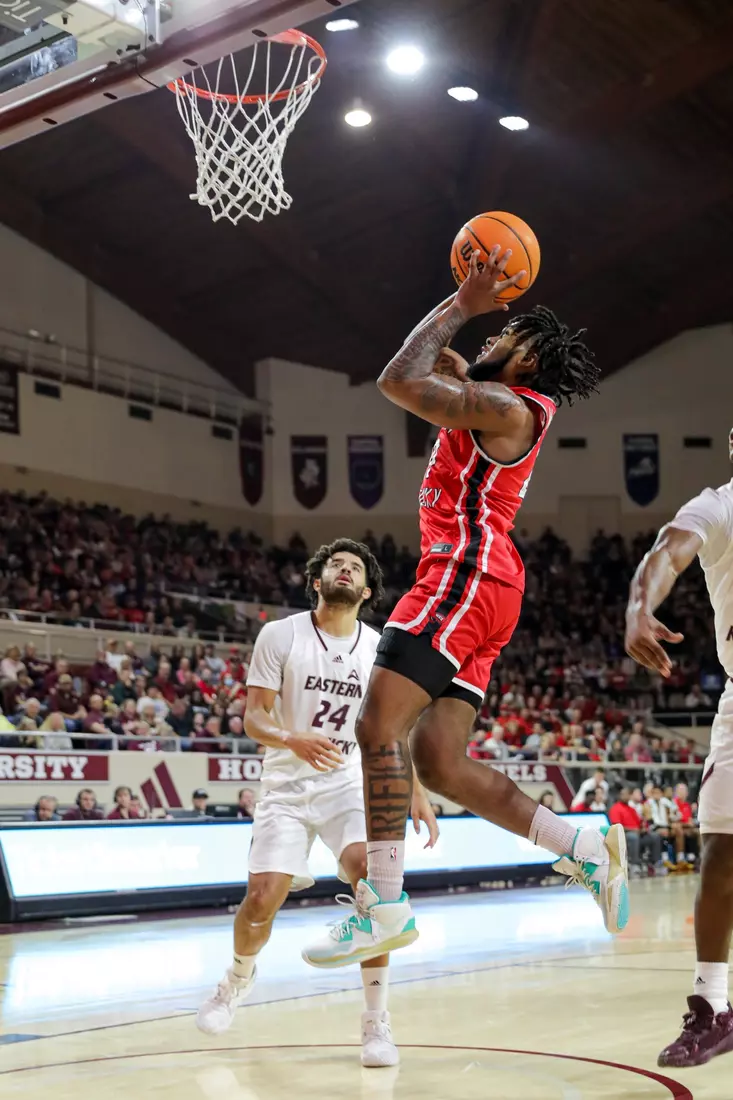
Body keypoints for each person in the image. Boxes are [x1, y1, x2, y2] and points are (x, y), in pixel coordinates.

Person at [302, 247, 627, 972]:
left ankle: (381, 906)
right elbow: (436, 373)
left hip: (464, 572)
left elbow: (396, 380)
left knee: (376, 722)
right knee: (439, 762)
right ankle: (582, 848)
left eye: (500, 340)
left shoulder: (508, 406)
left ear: (527, 364)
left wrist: (462, 304)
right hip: (490, 585)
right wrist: (460, 356)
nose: (486, 341)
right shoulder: (498, 402)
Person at [196, 539, 438, 1068]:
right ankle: (237, 978)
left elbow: (394, 728)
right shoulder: (279, 634)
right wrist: (292, 739)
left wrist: (415, 789)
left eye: (355, 568)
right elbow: (254, 717)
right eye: (336, 564)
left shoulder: (379, 648)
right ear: (317, 579)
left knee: (370, 882)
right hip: (286, 782)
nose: (345, 571)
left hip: (349, 780)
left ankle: (376, 1022)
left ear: (367, 590)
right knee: (262, 898)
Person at [625, 427, 733, 1067]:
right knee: (722, 850)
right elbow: (667, 552)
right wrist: (641, 603)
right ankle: (713, 1005)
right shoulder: (718, 505)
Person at [609, 787, 662, 873]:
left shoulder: (631, 809)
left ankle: (655, 862)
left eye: (628, 795)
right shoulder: (615, 808)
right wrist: (633, 830)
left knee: (655, 836)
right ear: (620, 796)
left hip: (638, 834)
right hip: (624, 836)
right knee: (633, 837)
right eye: (624, 795)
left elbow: (639, 823)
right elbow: (617, 827)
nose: (626, 797)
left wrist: (643, 827)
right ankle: (634, 864)